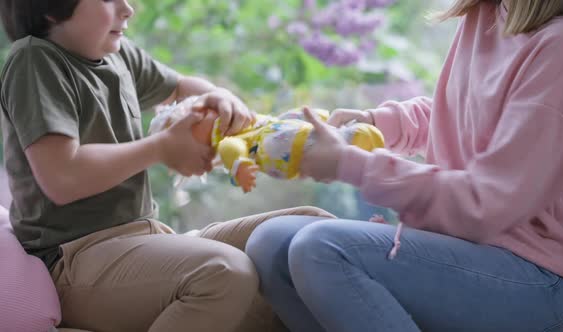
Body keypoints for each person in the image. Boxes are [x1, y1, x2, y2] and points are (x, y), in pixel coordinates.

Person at [245, 0, 563, 331]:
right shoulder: (487, 13)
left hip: (539, 278)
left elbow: (487, 204)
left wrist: (352, 165)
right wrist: (372, 124)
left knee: (321, 250)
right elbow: (459, 112)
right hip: (467, 250)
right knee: (270, 243)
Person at [0, 0, 334, 331]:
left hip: (146, 237)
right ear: (49, 6)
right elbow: (62, 177)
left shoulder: (118, 54)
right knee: (224, 272)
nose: (128, 8)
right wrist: (161, 148)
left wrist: (219, 96)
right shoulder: (34, 59)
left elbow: (181, 88)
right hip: (75, 259)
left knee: (309, 229)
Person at [148, 97, 385, 192]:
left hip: (292, 135)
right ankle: (345, 145)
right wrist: (238, 166)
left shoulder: (245, 123)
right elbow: (231, 149)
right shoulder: (229, 142)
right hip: (282, 147)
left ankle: (343, 140)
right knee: (278, 140)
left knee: (294, 123)